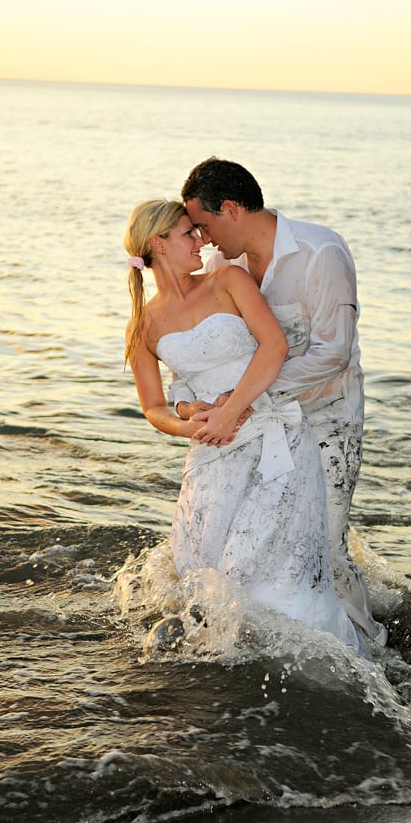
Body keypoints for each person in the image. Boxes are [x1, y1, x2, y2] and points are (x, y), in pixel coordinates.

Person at [123, 198, 362, 652]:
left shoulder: (227, 279)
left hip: (275, 438)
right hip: (212, 454)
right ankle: (229, 686)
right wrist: (190, 424)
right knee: (206, 574)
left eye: (199, 230)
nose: (202, 240)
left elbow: (273, 347)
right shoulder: (144, 324)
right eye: (188, 233)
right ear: (159, 243)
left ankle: (311, 665)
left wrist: (231, 411)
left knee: (263, 568)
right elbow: (154, 406)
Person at [174, 157, 387, 646]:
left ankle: (365, 642)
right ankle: (267, 641)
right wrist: (194, 405)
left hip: (326, 420)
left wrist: (244, 396)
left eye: (203, 225)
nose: (202, 239)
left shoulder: (321, 252)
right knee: (257, 543)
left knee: (324, 545)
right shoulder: (222, 267)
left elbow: (332, 354)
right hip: (257, 425)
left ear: (230, 209)